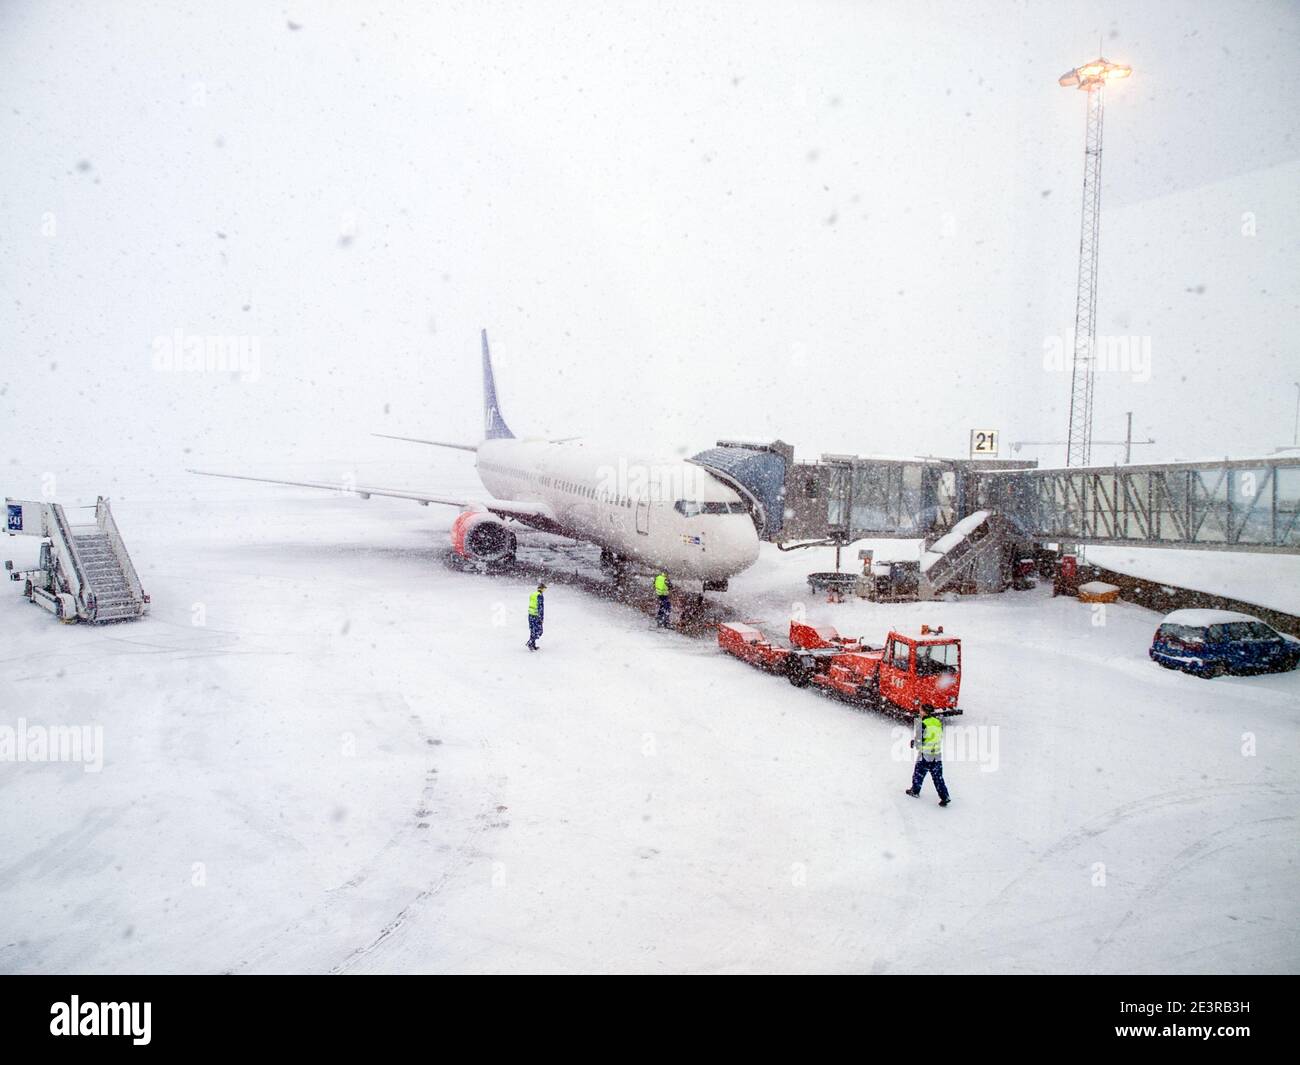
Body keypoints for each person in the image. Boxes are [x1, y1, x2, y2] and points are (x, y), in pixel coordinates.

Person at [905, 709, 951, 806]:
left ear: (925, 712)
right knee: (938, 778)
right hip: (937, 755)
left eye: (921, 711)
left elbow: (919, 741)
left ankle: (915, 791)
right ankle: (945, 796)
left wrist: (913, 743)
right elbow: (937, 736)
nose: (919, 712)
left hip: (925, 755)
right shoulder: (937, 722)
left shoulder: (922, 723)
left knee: (918, 774)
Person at [526, 582, 546, 650]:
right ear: (542, 589)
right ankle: (530, 642)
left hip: (530, 615)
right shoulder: (540, 595)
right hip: (536, 615)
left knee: (533, 630)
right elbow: (540, 607)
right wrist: (541, 618)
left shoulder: (533, 594)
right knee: (539, 631)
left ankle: (533, 645)